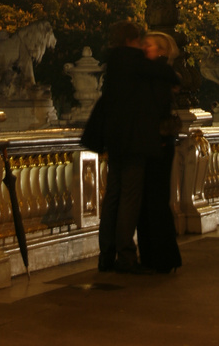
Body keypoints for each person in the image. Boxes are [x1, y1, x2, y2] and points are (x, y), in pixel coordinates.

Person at [84, 20, 179, 274]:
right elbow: (170, 75)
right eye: (140, 41)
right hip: (135, 141)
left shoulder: (114, 63)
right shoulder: (136, 62)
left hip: (114, 140)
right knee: (130, 197)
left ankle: (106, 254)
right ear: (132, 40)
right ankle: (126, 254)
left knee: (112, 196)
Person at [136, 32, 182, 274]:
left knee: (153, 201)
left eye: (149, 45)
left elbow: (158, 108)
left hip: (157, 143)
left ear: (162, 51)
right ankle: (160, 256)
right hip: (159, 142)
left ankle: (158, 257)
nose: (144, 48)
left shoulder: (158, 73)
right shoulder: (162, 74)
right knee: (155, 201)